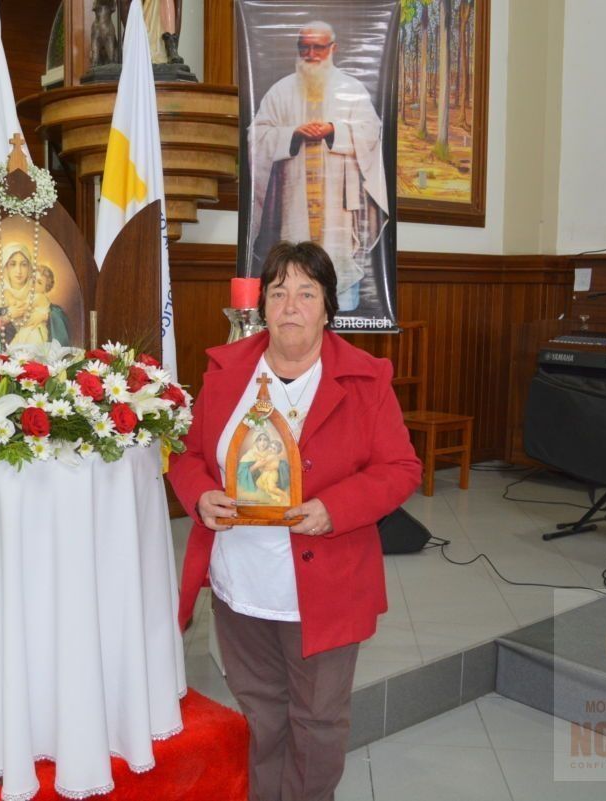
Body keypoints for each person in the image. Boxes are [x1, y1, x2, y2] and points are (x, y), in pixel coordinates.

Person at [167, 241, 420, 801]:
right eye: (278, 292)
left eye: (306, 293)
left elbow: (402, 468)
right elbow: (186, 457)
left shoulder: (364, 379)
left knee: (317, 722)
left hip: (325, 588)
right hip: (242, 586)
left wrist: (336, 509)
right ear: (262, 306)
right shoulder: (226, 371)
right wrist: (201, 495)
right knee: (263, 716)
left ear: (328, 307)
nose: (290, 306)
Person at [249, 21, 389, 315]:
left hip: (336, 210)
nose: (310, 54)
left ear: (332, 49)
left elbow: (370, 131)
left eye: (318, 47)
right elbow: (257, 136)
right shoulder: (281, 91)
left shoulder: (352, 89)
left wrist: (333, 130)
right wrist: (292, 133)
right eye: (304, 47)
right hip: (293, 207)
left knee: (337, 283)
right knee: (293, 287)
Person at [0, 243, 70, 355]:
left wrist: (45, 316)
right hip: (2, 364)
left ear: (30, 267)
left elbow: (60, 319)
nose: (19, 271)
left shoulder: (37, 290)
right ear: (5, 267)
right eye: (13, 264)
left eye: (23, 264)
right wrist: (7, 317)